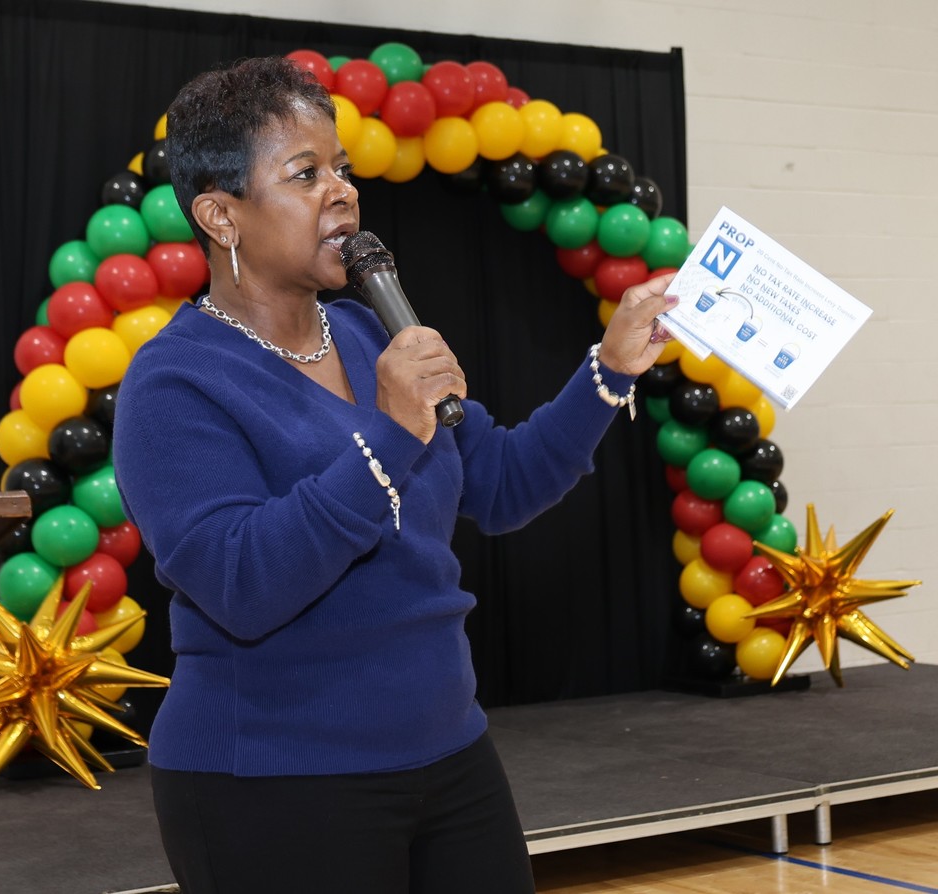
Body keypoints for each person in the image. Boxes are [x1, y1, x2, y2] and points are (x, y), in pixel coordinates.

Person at [113, 55, 676, 894]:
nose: (342, 191)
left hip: (448, 753)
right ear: (219, 216)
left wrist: (612, 369)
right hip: (272, 780)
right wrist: (385, 435)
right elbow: (241, 581)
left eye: (341, 168)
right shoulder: (174, 383)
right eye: (306, 173)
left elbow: (505, 485)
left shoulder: (375, 337)